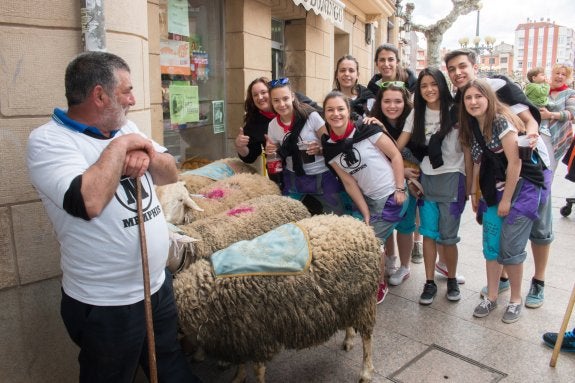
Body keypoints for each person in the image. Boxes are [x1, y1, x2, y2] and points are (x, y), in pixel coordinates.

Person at [26, 52, 201, 383]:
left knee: (170, 365)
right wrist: (121, 148)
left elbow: (170, 173)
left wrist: (144, 150)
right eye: (127, 91)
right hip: (107, 304)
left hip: (155, 287)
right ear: (99, 95)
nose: (134, 100)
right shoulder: (49, 141)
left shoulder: (126, 125)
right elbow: (87, 201)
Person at [445, 48, 553, 310]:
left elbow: (529, 121)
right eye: (452, 69)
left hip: (531, 168)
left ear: (475, 66)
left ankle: (537, 281)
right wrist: (473, 190)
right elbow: (473, 152)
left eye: (462, 66)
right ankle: (501, 280)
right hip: (496, 177)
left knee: (538, 229)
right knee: (499, 234)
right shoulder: (462, 105)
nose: (457, 73)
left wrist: (526, 141)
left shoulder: (500, 88)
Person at [459, 79, 547, 323]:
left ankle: (515, 300)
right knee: (491, 245)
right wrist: (476, 195)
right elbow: (478, 162)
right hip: (492, 190)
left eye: (478, 96)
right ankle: (492, 296)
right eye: (468, 98)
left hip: (521, 189)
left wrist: (507, 200)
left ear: (488, 97)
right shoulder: (471, 126)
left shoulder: (500, 121)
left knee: (511, 247)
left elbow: (516, 162)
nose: (473, 102)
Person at [321, 90, 407, 304]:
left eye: (340, 109)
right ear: (324, 114)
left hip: (390, 195)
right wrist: (366, 212)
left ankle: (379, 285)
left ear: (348, 111)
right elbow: (349, 182)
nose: (336, 114)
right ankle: (379, 274)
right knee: (369, 236)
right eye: (330, 110)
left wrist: (399, 189)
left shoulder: (367, 129)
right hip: (369, 199)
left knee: (371, 242)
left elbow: (395, 154)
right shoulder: (330, 149)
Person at [399, 68, 470, 305]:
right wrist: (404, 174)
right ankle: (429, 282)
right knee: (428, 234)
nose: (429, 89)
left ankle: (451, 278)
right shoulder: (416, 114)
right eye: (423, 85)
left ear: (442, 85)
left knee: (448, 237)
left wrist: (471, 186)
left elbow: (468, 151)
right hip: (426, 180)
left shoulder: (456, 112)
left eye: (433, 84)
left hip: (453, 179)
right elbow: (397, 147)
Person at [364, 81, 420, 285]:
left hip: (410, 181)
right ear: (380, 102)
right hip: (382, 183)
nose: (392, 106)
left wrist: (405, 173)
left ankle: (405, 266)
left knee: (405, 225)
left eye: (397, 101)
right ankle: (390, 259)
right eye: (387, 101)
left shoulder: (413, 122)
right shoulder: (372, 123)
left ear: (405, 102)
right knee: (386, 222)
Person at [264, 77, 344, 215]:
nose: (282, 104)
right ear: (271, 102)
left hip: (322, 176)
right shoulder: (273, 125)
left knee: (337, 216)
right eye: (276, 100)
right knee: (287, 216)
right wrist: (271, 151)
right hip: (293, 177)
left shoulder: (311, 116)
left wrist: (319, 149)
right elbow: (276, 156)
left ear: (293, 97)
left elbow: (329, 146)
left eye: (285, 98)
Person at [538, 63, 575, 172]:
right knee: (536, 170)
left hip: (558, 136)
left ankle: (546, 189)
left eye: (563, 74)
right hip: (539, 134)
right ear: (552, 74)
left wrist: (550, 115)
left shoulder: (569, 93)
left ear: (567, 78)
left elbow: (571, 114)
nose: (559, 76)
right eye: (557, 73)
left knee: (549, 170)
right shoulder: (542, 90)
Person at [333, 54, 375, 119]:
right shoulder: (331, 100)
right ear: (336, 75)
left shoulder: (369, 100)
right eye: (342, 70)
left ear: (357, 75)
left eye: (351, 71)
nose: (346, 74)